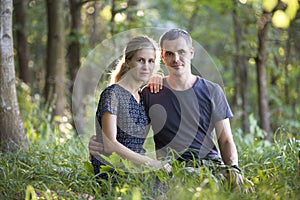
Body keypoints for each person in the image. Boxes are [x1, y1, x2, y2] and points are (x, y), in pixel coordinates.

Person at [89, 29, 252, 190]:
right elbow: (131, 136)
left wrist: (234, 169)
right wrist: (101, 144)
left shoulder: (213, 91)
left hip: (209, 164)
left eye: (181, 52)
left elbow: (225, 140)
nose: (176, 59)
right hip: (172, 169)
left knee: (243, 189)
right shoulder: (150, 93)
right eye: (169, 54)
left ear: (191, 53)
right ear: (163, 57)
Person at [91, 36, 171, 180]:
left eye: (151, 61)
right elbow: (109, 145)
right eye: (140, 60)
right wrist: (152, 163)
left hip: (135, 165)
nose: (146, 66)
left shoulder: (143, 97)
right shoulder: (112, 94)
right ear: (128, 62)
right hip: (113, 168)